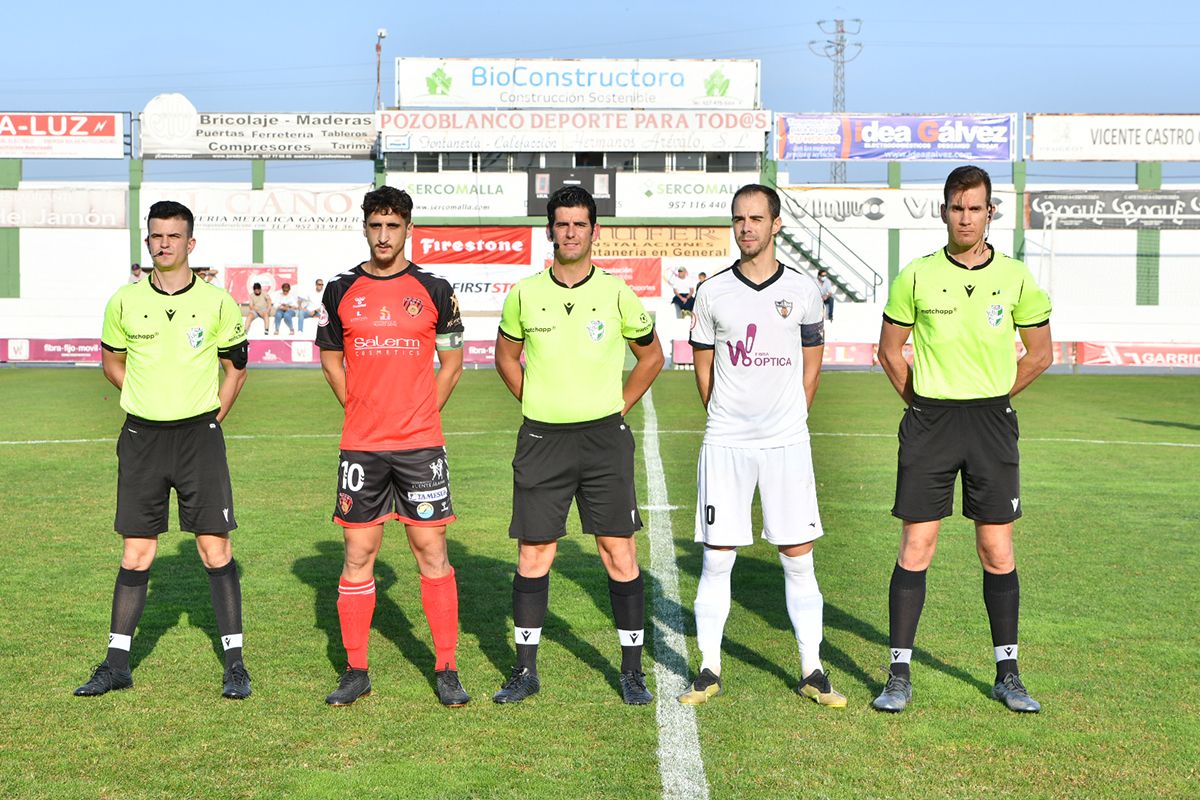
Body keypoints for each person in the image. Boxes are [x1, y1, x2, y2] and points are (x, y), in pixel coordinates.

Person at [873, 165, 1053, 714]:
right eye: (957, 208)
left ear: (990, 211)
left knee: (996, 549)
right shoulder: (917, 275)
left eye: (975, 208)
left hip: (991, 424)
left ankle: (1008, 673)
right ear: (944, 211)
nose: (965, 217)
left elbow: (1041, 353)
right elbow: (888, 349)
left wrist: (998, 395)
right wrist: (923, 403)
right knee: (917, 546)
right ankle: (898, 674)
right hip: (930, 423)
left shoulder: (1017, 277)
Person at [492, 185, 664, 706]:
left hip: (603, 441)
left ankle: (632, 671)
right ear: (550, 230)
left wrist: (617, 407)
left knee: (618, 551)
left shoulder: (616, 293)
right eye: (561, 223)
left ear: (594, 231)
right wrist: (536, 401)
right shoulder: (524, 293)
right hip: (542, 439)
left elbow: (651, 357)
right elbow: (506, 357)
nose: (570, 232)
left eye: (579, 224)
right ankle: (525, 671)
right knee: (535, 552)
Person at [74, 200, 251, 700]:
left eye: (174, 236)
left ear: (190, 243)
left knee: (215, 549)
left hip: (200, 438)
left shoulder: (217, 302)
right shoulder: (124, 301)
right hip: (141, 438)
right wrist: (143, 400)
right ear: (148, 241)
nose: (165, 243)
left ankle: (235, 664)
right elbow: (112, 360)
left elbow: (236, 368)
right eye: (157, 236)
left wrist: (212, 417)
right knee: (136, 552)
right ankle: (116, 665)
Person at [677, 184, 845, 708]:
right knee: (717, 557)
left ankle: (813, 669)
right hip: (726, 442)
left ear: (776, 224)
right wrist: (727, 416)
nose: (746, 227)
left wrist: (792, 415)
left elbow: (812, 360)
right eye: (738, 219)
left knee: (798, 558)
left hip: (786, 443)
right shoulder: (712, 293)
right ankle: (708, 668)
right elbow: (703, 369)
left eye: (756, 218)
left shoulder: (802, 290)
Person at [315, 186, 469, 708]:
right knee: (359, 553)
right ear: (365, 228)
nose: (384, 235)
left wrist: (426, 411)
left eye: (393, 226)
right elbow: (331, 359)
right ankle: (356, 669)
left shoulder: (435, 288)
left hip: (420, 444)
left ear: (408, 229)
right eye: (375, 225)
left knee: (431, 550)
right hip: (361, 445)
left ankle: (446, 666)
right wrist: (355, 404)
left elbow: (451, 362)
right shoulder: (340, 290)